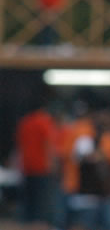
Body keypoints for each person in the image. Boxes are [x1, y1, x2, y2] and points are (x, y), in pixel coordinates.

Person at [16, 92, 58, 230]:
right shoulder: (44, 121)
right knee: (42, 205)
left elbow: (19, 146)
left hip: (27, 167)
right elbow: (48, 144)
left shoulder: (24, 122)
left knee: (30, 203)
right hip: (42, 168)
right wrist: (52, 164)